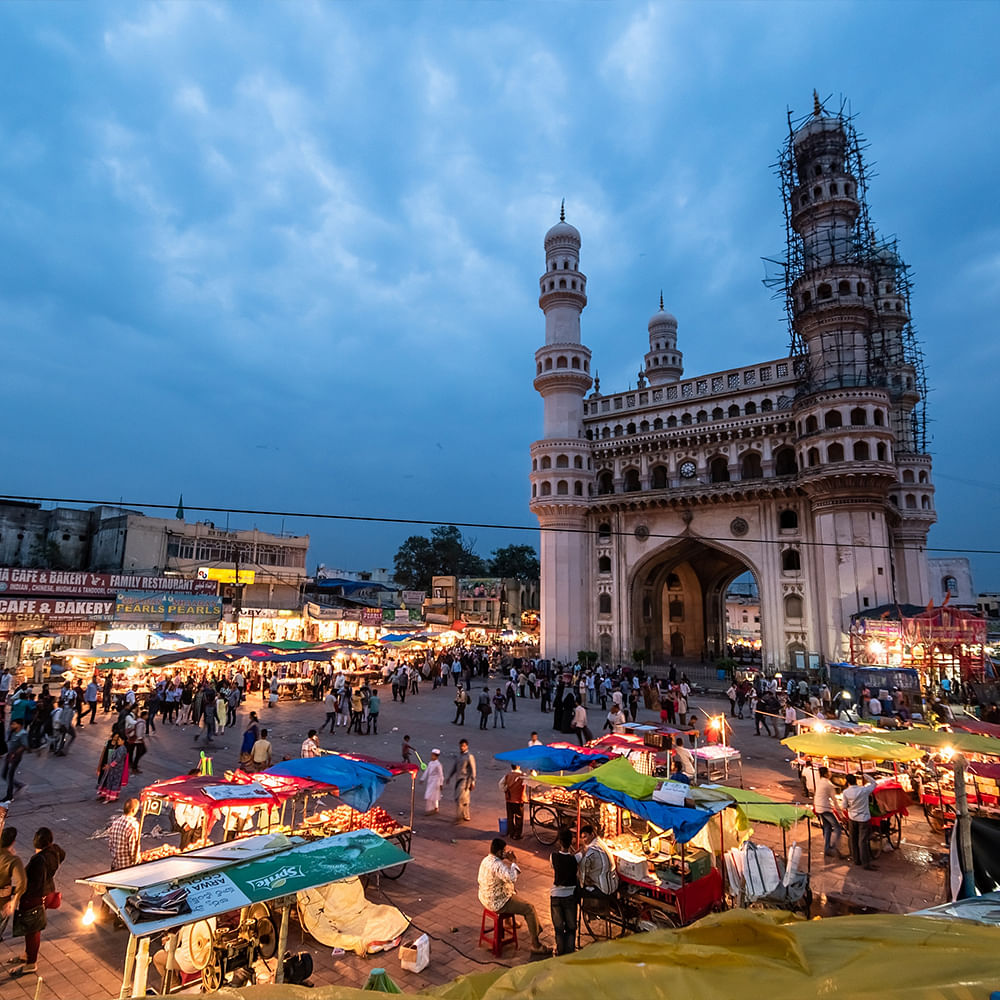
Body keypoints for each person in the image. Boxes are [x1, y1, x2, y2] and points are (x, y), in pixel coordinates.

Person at [8, 827, 65, 978]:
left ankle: (31, 962)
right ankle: (28, 954)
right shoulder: (55, 851)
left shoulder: (38, 861)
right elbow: (62, 855)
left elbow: (33, 884)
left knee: (32, 930)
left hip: (35, 897)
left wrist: (15, 892)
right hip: (48, 892)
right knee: (33, 929)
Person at [477, 838, 549, 956]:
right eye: (504, 851)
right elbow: (512, 878)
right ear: (500, 852)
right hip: (497, 902)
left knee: (513, 890)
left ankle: (508, 921)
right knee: (529, 909)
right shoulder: (498, 865)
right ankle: (536, 945)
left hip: (484, 897)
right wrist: (513, 861)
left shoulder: (486, 860)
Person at [549, 828, 578, 955]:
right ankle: (570, 952)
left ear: (559, 842)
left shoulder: (553, 857)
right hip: (570, 896)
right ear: (571, 841)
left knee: (559, 928)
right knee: (571, 927)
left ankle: (560, 951)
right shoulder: (575, 859)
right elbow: (580, 853)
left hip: (556, 896)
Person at [841, 774, 878, 870]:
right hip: (863, 819)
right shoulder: (863, 790)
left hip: (852, 818)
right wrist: (865, 775)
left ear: (847, 782)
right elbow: (874, 783)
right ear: (856, 781)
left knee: (853, 839)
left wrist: (850, 806)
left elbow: (844, 806)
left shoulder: (846, 792)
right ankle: (865, 863)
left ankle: (856, 860)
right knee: (863, 841)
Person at [577, 824, 619, 902]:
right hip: (614, 885)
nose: (584, 840)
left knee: (576, 890)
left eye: (585, 837)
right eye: (582, 838)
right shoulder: (601, 843)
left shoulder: (591, 851)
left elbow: (583, 873)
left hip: (603, 890)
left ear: (592, 834)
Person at [0, 826, 26, 937]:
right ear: (13, 842)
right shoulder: (13, 860)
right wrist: (14, 900)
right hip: (2, 902)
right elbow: (22, 882)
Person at [813, 766, 843, 857]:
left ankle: (827, 848)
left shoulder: (819, 782)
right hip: (825, 808)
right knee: (837, 827)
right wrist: (841, 815)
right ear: (826, 774)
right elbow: (834, 800)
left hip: (818, 807)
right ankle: (833, 847)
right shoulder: (828, 784)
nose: (830, 773)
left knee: (827, 827)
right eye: (829, 772)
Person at [108, 798, 141, 870]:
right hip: (127, 865)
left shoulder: (116, 822)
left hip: (116, 863)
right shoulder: (133, 825)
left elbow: (110, 844)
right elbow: (133, 849)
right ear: (133, 810)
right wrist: (137, 860)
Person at [449, 739, 477, 823]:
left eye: (464, 746)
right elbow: (454, 767)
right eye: (461, 746)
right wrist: (449, 777)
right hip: (458, 779)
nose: (462, 747)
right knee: (465, 799)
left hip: (465, 780)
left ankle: (459, 817)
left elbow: (473, 770)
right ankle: (466, 815)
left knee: (459, 798)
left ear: (467, 746)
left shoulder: (469, 757)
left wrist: (473, 782)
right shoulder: (459, 756)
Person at [3, 719, 30, 802]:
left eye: (14, 724)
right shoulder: (12, 732)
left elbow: (25, 745)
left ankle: (9, 795)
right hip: (9, 755)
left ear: (20, 725)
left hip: (15, 757)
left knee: (10, 775)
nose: (12, 726)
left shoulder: (23, 734)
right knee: (4, 774)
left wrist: (15, 753)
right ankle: (18, 785)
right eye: (11, 724)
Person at [97, 732, 129, 802]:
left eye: (119, 740)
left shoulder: (122, 749)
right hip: (112, 770)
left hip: (116, 770)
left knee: (114, 783)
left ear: (123, 741)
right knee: (109, 782)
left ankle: (112, 797)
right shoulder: (119, 747)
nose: (118, 741)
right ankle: (105, 795)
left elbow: (118, 759)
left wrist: (109, 766)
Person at [499, 764, 526, 840]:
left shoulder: (507, 775)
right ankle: (517, 835)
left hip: (509, 799)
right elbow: (532, 780)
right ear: (519, 766)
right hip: (519, 800)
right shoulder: (523, 776)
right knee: (519, 817)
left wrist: (506, 790)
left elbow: (500, 784)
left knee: (510, 817)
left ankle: (511, 833)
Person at [422, 748, 444, 814]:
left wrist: (441, 784)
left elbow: (441, 775)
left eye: (433, 755)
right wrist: (422, 778)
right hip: (430, 781)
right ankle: (434, 808)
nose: (431, 756)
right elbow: (427, 771)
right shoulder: (430, 763)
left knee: (432, 795)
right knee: (432, 795)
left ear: (436, 756)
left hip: (436, 782)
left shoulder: (438, 765)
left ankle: (431, 809)